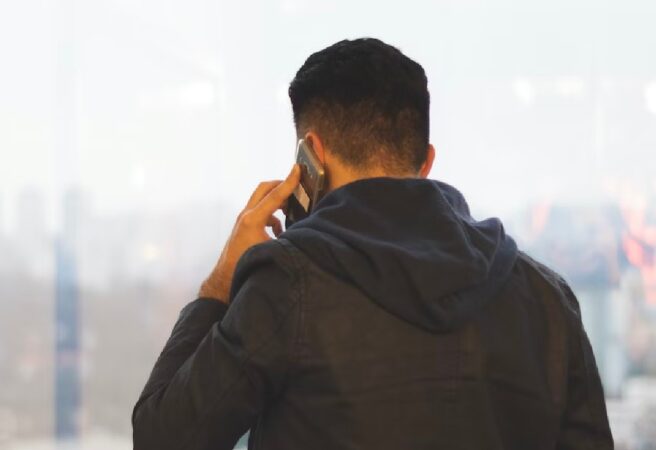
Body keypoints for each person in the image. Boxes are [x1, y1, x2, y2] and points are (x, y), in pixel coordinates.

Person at [132, 37, 614, 450]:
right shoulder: (547, 298)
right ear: (426, 162)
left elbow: (163, 438)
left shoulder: (285, 286)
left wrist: (221, 282)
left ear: (311, 155)